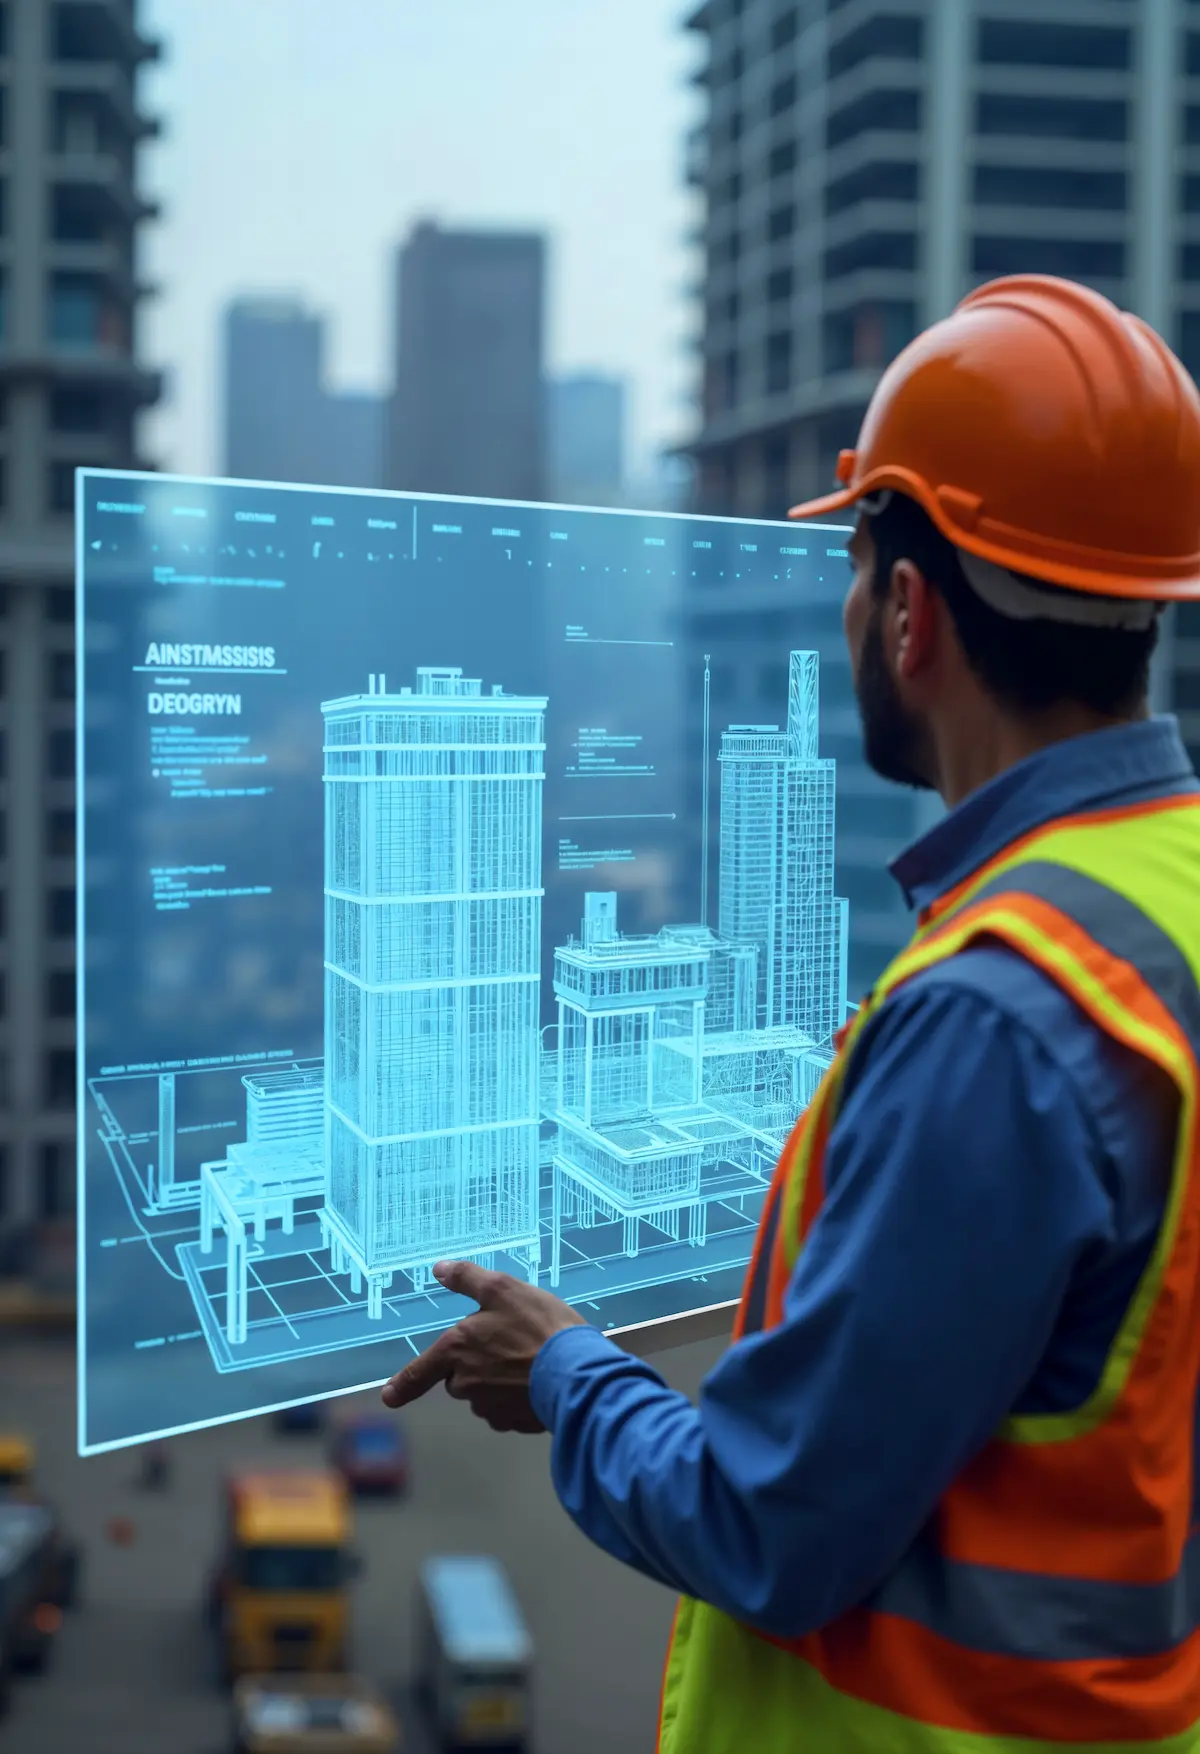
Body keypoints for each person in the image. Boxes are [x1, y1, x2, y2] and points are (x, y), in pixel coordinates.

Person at [381, 275, 1200, 1750]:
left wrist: (564, 1369)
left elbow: (770, 1523)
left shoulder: (1003, 1012)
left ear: (904, 611)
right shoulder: (1167, 896)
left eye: (856, 573)